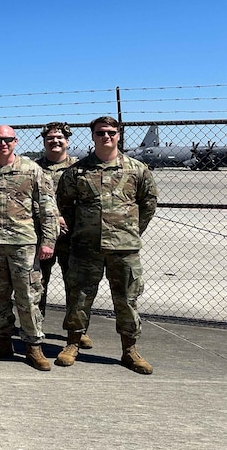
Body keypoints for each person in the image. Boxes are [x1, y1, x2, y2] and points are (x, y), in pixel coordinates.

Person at [54, 116, 158, 374]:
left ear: (119, 135)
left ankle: (129, 350)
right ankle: (72, 343)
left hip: (124, 248)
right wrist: (81, 231)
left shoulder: (137, 169)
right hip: (86, 247)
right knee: (79, 297)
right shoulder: (77, 172)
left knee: (126, 300)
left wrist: (130, 231)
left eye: (111, 132)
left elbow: (148, 204)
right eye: (100, 132)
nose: (106, 136)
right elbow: (64, 206)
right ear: (93, 136)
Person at [0, 125, 58, 371]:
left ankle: (33, 347)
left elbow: (47, 209)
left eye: (7, 139)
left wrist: (48, 242)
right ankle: (2, 343)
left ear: (15, 141)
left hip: (23, 245)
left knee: (28, 296)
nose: (3, 144)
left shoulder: (31, 170)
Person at [35, 122, 92, 350]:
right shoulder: (34, 168)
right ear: (44, 141)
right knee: (38, 284)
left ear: (67, 141)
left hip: (72, 237)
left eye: (59, 138)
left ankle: (76, 331)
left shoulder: (80, 168)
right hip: (43, 237)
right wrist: (54, 218)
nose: (55, 142)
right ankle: (35, 325)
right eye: (50, 138)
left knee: (75, 286)